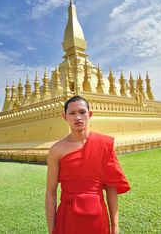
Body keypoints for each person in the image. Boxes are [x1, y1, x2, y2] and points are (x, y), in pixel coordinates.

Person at [45, 96, 130, 234]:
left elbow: (111, 189)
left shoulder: (103, 144)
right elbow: (50, 192)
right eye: (72, 113)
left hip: (97, 218)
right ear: (65, 117)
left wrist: (115, 226)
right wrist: (51, 229)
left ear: (90, 114)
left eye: (82, 112)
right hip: (68, 218)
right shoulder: (56, 150)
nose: (77, 117)